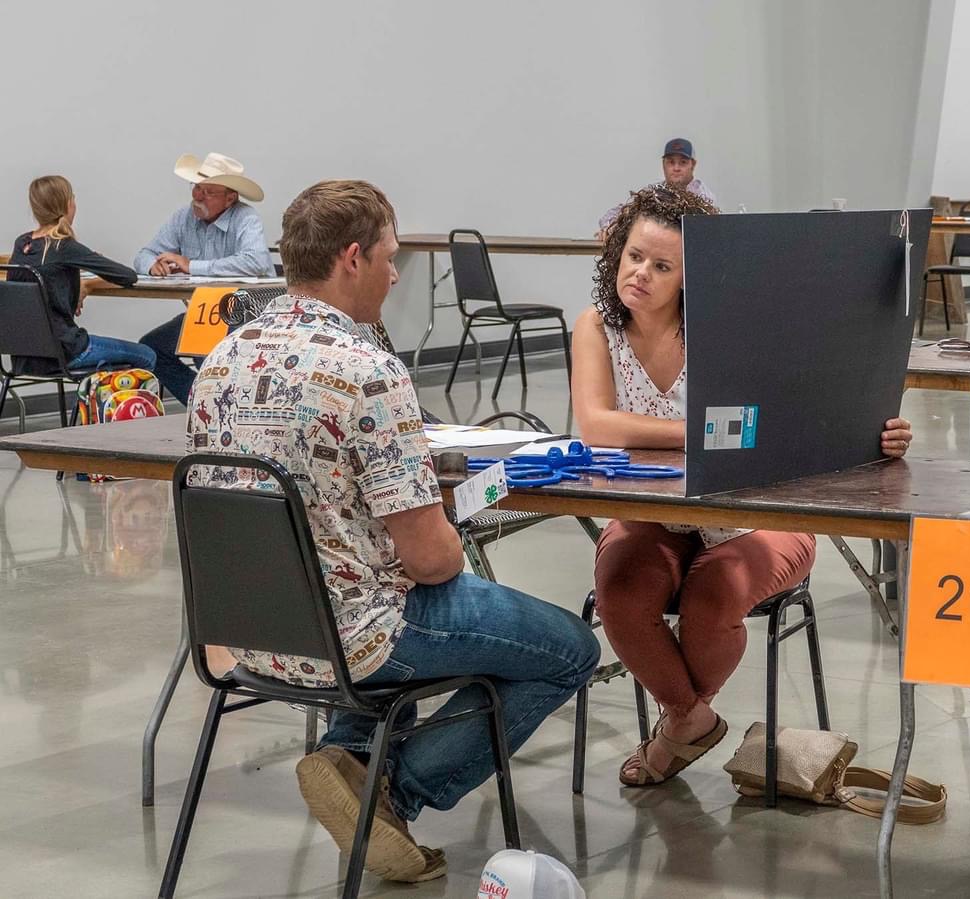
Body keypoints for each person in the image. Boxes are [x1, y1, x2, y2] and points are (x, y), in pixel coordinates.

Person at [186, 180, 599, 883]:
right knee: (570, 648)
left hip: (255, 636)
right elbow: (433, 562)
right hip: (359, 639)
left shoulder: (221, 361)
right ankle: (392, 789)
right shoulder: (368, 371)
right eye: (389, 255)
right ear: (352, 258)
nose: (395, 271)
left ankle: (348, 754)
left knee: (426, 621)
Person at [571, 186, 913, 786]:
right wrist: (700, 435)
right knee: (619, 593)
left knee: (711, 600)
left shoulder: (727, 326)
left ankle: (676, 731)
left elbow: (798, 412)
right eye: (633, 256)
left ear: (690, 275)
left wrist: (879, 434)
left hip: (756, 512)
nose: (640, 275)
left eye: (661, 266)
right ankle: (692, 720)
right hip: (654, 510)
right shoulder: (596, 327)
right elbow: (597, 425)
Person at [135, 152, 273, 402]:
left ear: (230, 198)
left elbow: (256, 261)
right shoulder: (183, 217)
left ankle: (221, 408)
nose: (198, 196)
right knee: (151, 347)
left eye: (208, 192)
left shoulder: (246, 218)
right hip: (205, 311)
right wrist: (152, 265)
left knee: (204, 347)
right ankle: (203, 405)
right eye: (196, 187)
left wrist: (191, 266)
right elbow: (144, 254)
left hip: (245, 312)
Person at [6, 176, 156, 377]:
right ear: (68, 205)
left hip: (24, 358)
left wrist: (82, 284)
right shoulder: (64, 246)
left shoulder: (22, 244)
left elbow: (47, 280)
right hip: (66, 351)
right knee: (147, 355)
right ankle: (111, 406)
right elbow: (127, 276)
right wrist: (90, 279)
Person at [597, 138, 717, 237]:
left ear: (693, 165)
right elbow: (620, 212)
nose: (676, 168)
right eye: (671, 162)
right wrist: (610, 227)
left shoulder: (703, 197)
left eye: (683, 162)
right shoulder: (656, 191)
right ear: (663, 164)